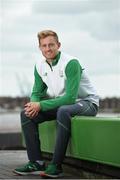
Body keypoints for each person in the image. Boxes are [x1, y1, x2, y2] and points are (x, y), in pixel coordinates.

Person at [13, 30, 99, 178]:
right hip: (63, 105)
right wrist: (34, 104)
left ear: (58, 45)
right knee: (26, 114)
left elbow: (70, 98)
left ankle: (56, 166)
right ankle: (36, 162)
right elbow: (37, 92)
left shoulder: (71, 63)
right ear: (39, 47)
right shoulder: (39, 65)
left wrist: (40, 105)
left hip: (87, 103)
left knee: (63, 111)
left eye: (51, 45)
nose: (48, 49)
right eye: (44, 45)